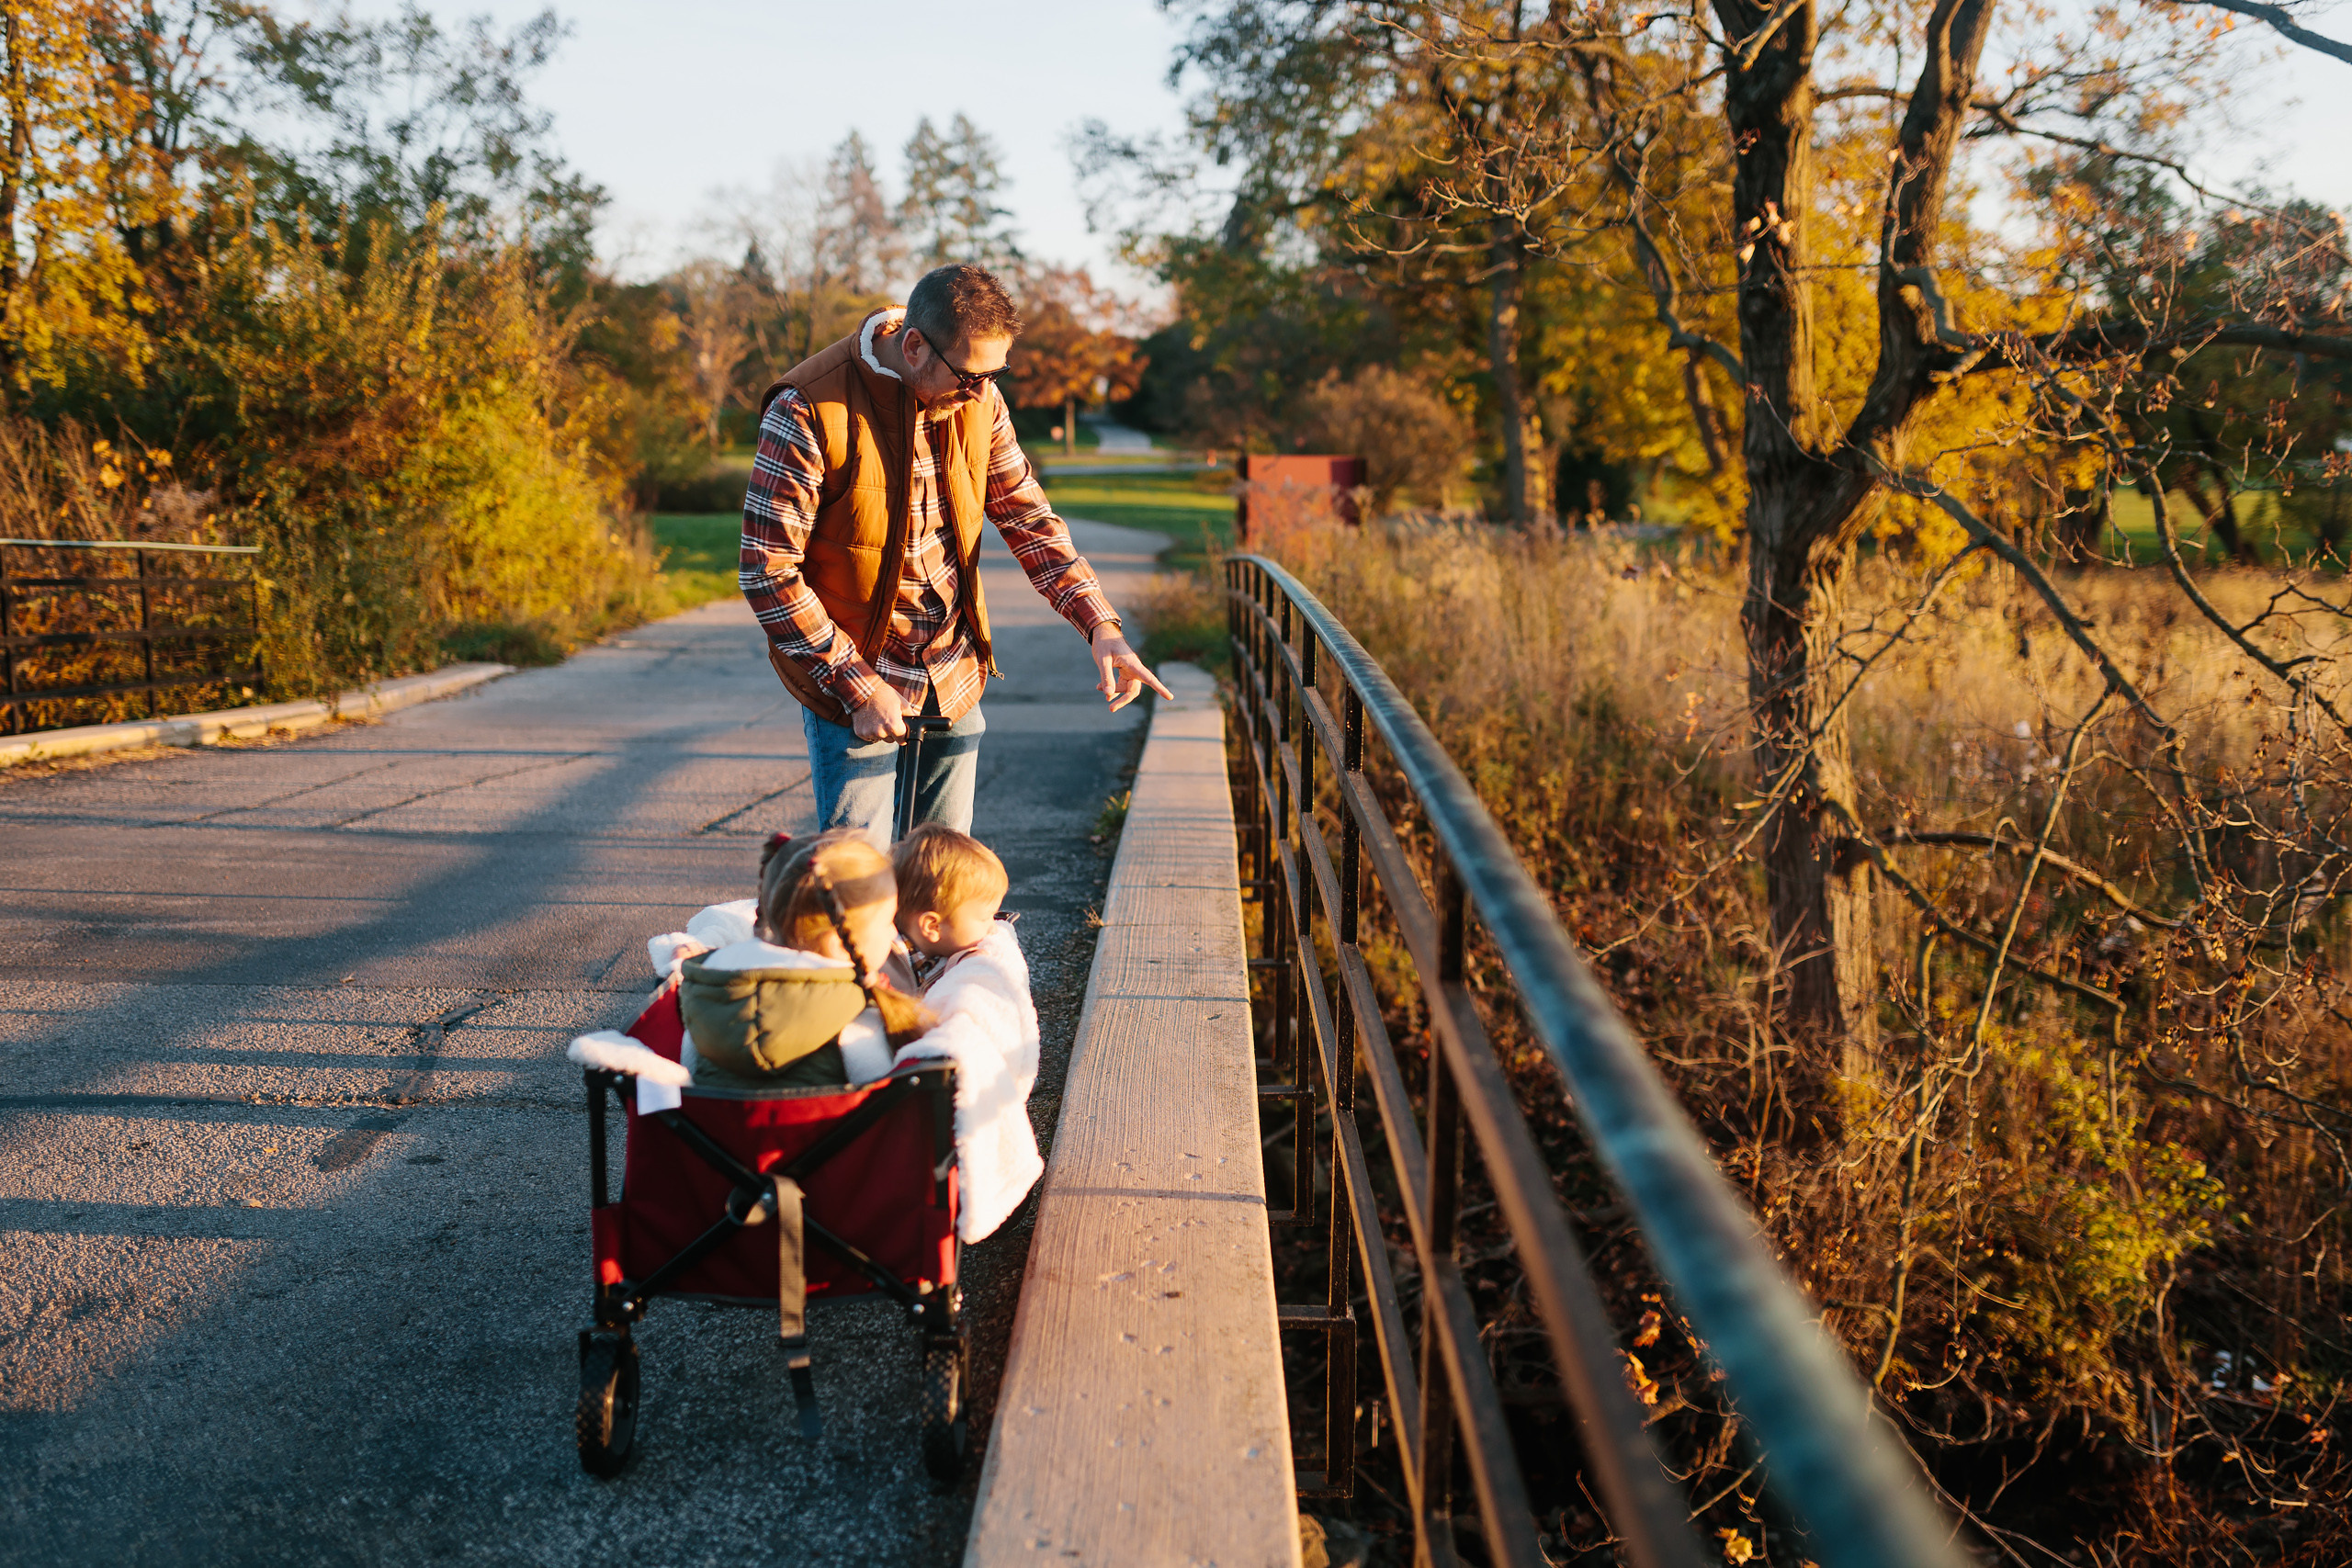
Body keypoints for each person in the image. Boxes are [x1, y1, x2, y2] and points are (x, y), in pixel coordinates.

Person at [741, 262, 1172, 845]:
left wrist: (1098, 622)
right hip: (853, 677)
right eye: (971, 375)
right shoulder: (808, 409)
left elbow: (1027, 517)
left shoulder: (980, 399)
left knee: (943, 884)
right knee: (856, 884)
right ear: (914, 345)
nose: (982, 390)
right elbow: (767, 570)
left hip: (952, 670)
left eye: (995, 374)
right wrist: (858, 684)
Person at [674, 830, 936, 1088]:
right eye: (888, 921)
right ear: (839, 942)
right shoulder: (859, 1025)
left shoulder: (705, 1000)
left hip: (718, 1129)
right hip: (824, 1130)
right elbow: (885, 1104)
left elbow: (690, 1079)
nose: (893, 933)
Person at [887, 824, 1043, 1240]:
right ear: (932, 926)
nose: (993, 926)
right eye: (984, 916)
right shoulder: (892, 958)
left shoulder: (927, 944)